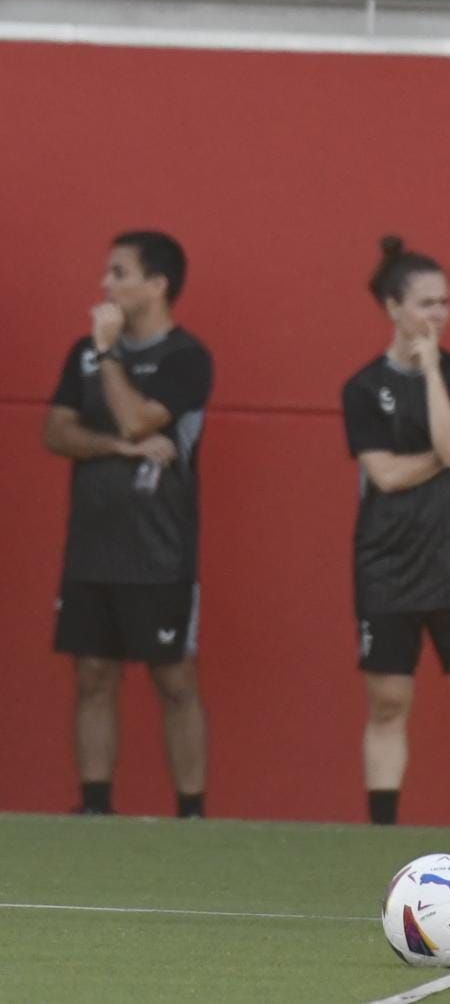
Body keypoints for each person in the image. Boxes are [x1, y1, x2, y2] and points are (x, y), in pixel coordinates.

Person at [44, 230, 214, 819]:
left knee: (174, 680)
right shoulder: (81, 353)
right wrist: (118, 448)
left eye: (119, 273)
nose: (106, 285)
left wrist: (111, 352)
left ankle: (191, 813)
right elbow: (57, 431)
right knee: (92, 674)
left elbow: (141, 419)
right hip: (92, 547)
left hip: (161, 550)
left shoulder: (186, 358)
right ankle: (95, 807)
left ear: (157, 284)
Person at [340, 237, 450, 827]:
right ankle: (382, 824)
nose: (437, 315)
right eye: (425, 304)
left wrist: (431, 369)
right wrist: (445, 453)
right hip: (386, 564)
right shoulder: (361, 389)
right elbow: (382, 473)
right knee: (388, 700)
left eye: (444, 303)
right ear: (392, 307)